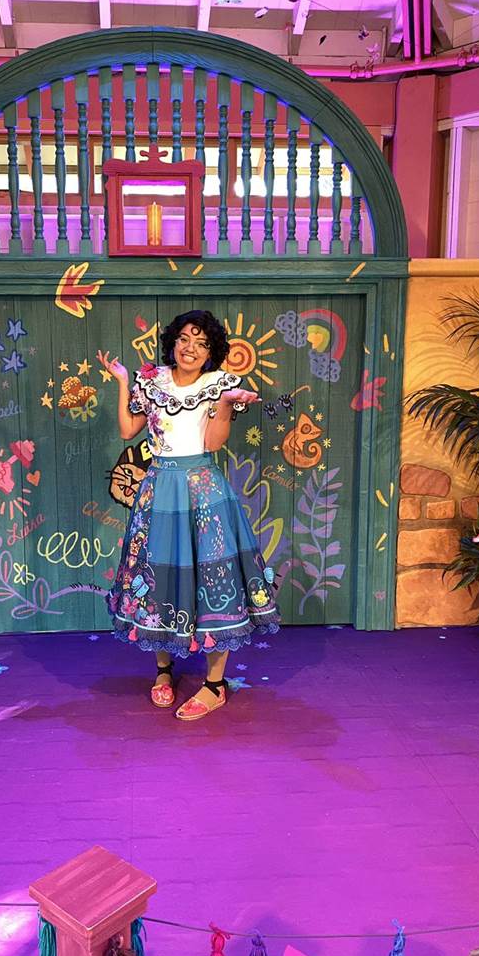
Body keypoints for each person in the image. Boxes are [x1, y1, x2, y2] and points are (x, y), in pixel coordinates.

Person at [96, 309, 280, 721]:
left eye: (201, 342)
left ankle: (215, 685)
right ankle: (163, 670)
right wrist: (122, 381)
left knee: (215, 578)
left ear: (211, 350)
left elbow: (213, 442)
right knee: (158, 576)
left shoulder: (219, 384)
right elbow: (128, 430)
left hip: (203, 490)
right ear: (173, 343)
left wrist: (225, 405)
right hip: (159, 489)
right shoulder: (152, 381)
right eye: (184, 339)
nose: (190, 348)